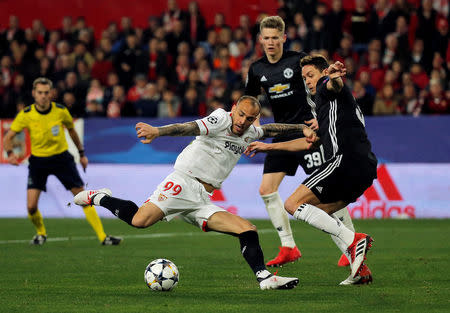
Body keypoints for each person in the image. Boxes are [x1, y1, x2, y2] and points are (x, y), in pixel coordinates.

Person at [73, 95, 315, 290]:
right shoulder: (220, 118)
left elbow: (271, 130)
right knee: (139, 220)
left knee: (247, 229)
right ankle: (100, 197)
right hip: (183, 182)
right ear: (234, 109)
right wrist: (158, 132)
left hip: (201, 199)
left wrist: (301, 128)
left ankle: (264, 278)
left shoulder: (251, 132)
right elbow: (187, 127)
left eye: (250, 118)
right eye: (241, 114)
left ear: (255, 118)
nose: (243, 121)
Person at [245, 56, 377, 285]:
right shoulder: (327, 109)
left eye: (311, 75)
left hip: (345, 160)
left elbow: (332, 84)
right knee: (322, 212)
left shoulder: (328, 90)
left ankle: (353, 240)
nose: (307, 81)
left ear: (323, 73)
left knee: (291, 204)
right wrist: (269, 147)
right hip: (364, 167)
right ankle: (361, 269)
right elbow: (309, 143)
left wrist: (332, 76)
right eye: (304, 77)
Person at [244, 15, 357, 267]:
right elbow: (250, 103)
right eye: (267, 38)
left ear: (284, 38)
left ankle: (350, 244)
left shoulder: (298, 61)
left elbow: (323, 80)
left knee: (326, 192)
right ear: (260, 40)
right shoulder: (257, 69)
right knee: (266, 189)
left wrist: (323, 115)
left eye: (276, 37)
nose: (271, 42)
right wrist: (256, 127)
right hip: (283, 134)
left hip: (309, 133)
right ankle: (288, 247)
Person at [3, 77, 122, 246]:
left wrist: (81, 154)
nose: (43, 96)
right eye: (40, 93)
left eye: (46, 93)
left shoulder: (60, 111)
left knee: (83, 197)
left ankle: (103, 237)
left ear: (50, 93)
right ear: (34, 94)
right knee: (31, 206)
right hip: (38, 162)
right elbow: (8, 138)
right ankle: (41, 233)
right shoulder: (26, 115)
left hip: (61, 159)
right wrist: (10, 153)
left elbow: (72, 132)